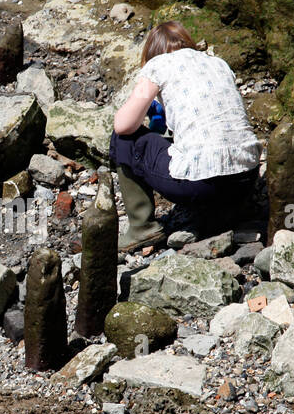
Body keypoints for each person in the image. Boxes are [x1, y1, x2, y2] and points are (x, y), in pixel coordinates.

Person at [110, 21, 262, 251]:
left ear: (152, 53)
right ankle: (227, 212)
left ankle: (142, 228)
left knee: (124, 140)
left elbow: (124, 125)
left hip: (201, 185)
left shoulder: (157, 65)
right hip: (246, 178)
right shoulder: (218, 63)